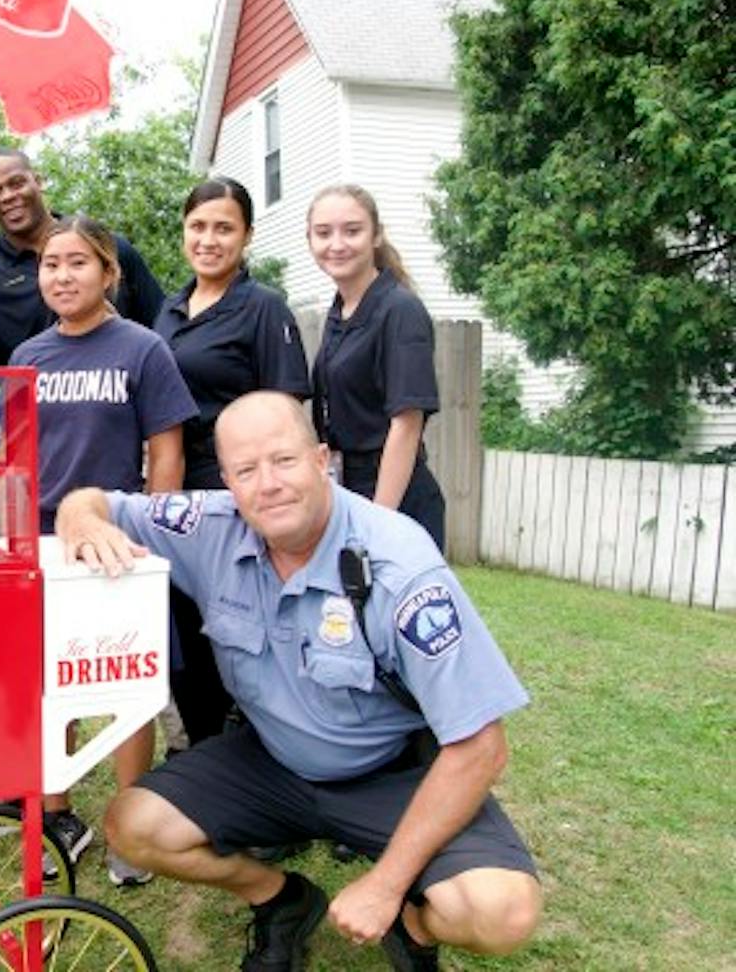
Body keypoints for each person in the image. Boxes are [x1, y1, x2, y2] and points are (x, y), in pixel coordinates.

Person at [56, 391, 542, 971]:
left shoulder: (400, 567)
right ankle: (280, 899)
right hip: (269, 763)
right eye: (245, 470)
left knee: (499, 913)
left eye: (284, 461)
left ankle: (413, 929)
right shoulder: (211, 525)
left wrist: (386, 887)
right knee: (132, 827)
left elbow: (481, 748)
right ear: (229, 484)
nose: (268, 484)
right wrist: (82, 521)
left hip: (390, 773)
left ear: (322, 460)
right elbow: (92, 502)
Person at [10, 215, 197, 887]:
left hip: (116, 545)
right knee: (48, 683)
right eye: (50, 264)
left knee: (127, 684)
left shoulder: (143, 350)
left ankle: (126, 822)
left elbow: (167, 452)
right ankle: (58, 811)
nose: (61, 275)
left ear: (109, 272)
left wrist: (152, 534)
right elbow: (15, 459)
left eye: (77, 263)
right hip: (43, 544)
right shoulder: (27, 357)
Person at [154, 176, 310, 746]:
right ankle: (201, 748)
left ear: (246, 236)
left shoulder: (264, 309)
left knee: (239, 625)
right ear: (183, 232)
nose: (209, 239)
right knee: (185, 625)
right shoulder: (167, 311)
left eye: (224, 228)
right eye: (198, 226)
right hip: (173, 491)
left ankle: (258, 747)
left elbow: (287, 410)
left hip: (237, 493)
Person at [307, 184, 445, 549]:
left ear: (376, 235)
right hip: (348, 492)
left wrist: (378, 525)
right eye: (323, 233)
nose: (337, 244)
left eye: (352, 230)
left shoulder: (399, 311)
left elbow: (406, 424)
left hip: (394, 501)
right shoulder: (340, 311)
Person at [0, 149, 165, 365]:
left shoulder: (109, 249)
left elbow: (163, 325)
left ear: (38, 182)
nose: (8, 196)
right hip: (32, 395)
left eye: (17, 183)